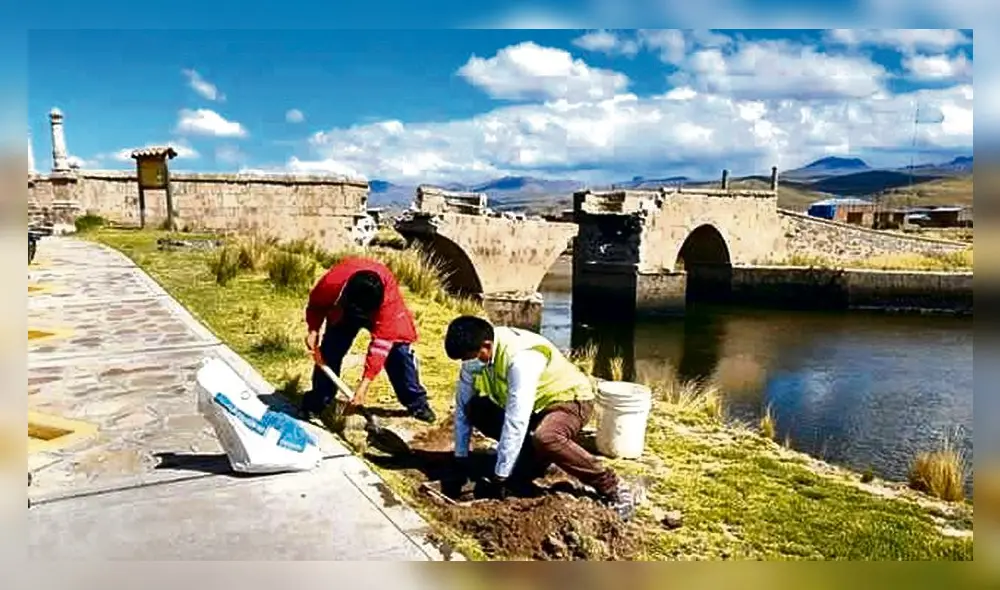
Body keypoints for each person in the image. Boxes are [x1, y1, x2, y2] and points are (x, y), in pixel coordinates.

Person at [443, 315, 638, 520]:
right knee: (476, 408)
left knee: (546, 437)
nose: (467, 364)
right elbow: (463, 409)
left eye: (470, 357)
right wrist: (460, 457)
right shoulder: (474, 358)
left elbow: (516, 419)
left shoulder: (521, 359)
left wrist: (501, 475)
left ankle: (613, 486)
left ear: (486, 345)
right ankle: (535, 458)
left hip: (569, 401)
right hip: (534, 408)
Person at [301, 256, 436, 423]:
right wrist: (313, 329)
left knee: (399, 353)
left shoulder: (388, 301)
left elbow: (381, 345)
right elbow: (316, 305)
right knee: (330, 352)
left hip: (380, 312)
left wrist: (363, 387)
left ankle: (416, 403)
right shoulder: (332, 283)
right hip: (344, 312)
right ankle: (318, 402)